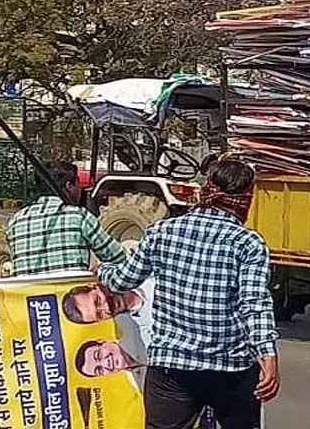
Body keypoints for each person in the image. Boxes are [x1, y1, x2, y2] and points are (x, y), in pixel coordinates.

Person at [100, 159, 279, 429]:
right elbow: (254, 304)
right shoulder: (248, 243)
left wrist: (101, 271)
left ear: (207, 190)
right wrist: (268, 355)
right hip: (231, 368)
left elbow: (123, 279)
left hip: (171, 367)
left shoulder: (161, 232)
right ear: (246, 198)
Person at [4, 160, 126, 276]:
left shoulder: (15, 222)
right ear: (69, 186)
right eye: (78, 183)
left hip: (28, 295)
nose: (81, 189)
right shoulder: (79, 216)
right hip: (72, 295)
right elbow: (118, 257)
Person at [62, 283, 145, 324]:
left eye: (97, 301)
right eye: (100, 314)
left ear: (95, 286)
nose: (107, 307)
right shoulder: (152, 332)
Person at [74, 339, 142, 378]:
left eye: (98, 355)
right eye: (99, 370)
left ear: (103, 341)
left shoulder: (137, 331)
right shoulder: (140, 385)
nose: (106, 363)